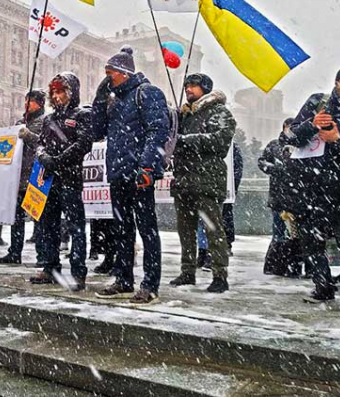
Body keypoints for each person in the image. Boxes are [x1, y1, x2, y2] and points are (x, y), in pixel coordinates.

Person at [279, 65, 340, 304]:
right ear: (336, 83)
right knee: (311, 240)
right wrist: (311, 124)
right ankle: (322, 285)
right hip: (309, 184)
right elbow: (288, 138)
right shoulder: (317, 102)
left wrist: (339, 140)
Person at [91, 46, 169, 304]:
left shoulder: (147, 93)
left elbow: (157, 131)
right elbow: (97, 131)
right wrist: (100, 99)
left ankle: (150, 283)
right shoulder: (116, 100)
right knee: (121, 229)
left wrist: (146, 166)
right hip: (118, 173)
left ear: (124, 73)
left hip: (139, 173)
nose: (107, 77)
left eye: (110, 72)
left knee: (147, 229)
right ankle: (124, 279)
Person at [170, 73, 236, 293]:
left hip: (207, 181)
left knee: (213, 230)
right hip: (183, 181)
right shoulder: (184, 115)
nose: (188, 89)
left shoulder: (220, 112)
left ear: (205, 88)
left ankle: (220, 275)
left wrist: (185, 141)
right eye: (187, 85)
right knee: (185, 231)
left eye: (194, 86)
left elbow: (220, 142)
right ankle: (187, 271)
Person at [29, 73, 92, 291]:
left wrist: (59, 161)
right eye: (53, 92)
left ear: (71, 92)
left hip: (70, 178)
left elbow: (83, 144)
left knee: (76, 227)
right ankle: (50, 267)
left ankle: (78, 272)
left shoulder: (82, 115)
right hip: (49, 180)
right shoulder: (49, 119)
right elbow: (40, 143)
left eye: (61, 91)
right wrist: (44, 157)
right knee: (48, 225)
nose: (56, 96)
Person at [0, 90, 46, 265]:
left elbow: (44, 142)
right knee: (16, 218)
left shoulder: (45, 121)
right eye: (26, 100)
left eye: (31, 101)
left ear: (40, 103)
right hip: (18, 177)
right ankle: (15, 252)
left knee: (38, 218)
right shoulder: (20, 122)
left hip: (35, 177)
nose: (27, 104)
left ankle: (42, 255)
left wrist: (29, 135)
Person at [258, 118, 304, 277]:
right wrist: (275, 169)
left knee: (296, 235)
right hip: (278, 197)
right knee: (279, 234)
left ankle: (294, 267)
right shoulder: (274, 145)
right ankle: (276, 266)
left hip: (298, 198)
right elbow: (262, 162)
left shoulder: (302, 143)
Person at [197, 142, 243, 269]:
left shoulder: (232, 149)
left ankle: (213, 254)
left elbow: (236, 172)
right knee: (203, 222)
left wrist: (231, 190)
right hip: (207, 190)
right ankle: (203, 252)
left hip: (220, 192)